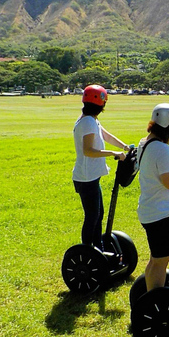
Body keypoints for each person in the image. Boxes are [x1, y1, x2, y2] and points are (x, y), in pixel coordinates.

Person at [72, 84, 130, 251]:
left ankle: (98, 248)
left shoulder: (90, 119)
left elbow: (105, 134)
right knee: (92, 216)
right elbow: (88, 151)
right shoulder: (88, 122)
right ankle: (88, 250)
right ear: (101, 104)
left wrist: (124, 147)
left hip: (90, 176)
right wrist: (114, 153)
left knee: (98, 214)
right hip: (86, 177)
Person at [136, 103, 169, 292]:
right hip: (161, 214)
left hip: (149, 209)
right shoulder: (162, 149)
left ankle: (151, 294)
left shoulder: (145, 142)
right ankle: (155, 300)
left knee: (155, 259)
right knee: (160, 261)